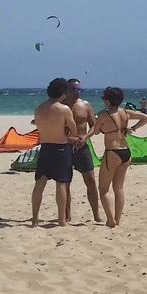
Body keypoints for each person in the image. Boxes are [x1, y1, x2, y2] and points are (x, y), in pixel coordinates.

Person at [85, 86, 147, 227]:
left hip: (112, 152)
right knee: (119, 188)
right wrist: (133, 129)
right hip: (126, 151)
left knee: (103, 189)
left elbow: (96, 132)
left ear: (108, 100)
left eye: (104, 98)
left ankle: (110, 220)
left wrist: (101, 125)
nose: (103, 101)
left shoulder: (104, 114)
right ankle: (118, 219)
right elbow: (146, 117)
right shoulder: (125, 112)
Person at [30, 78, 84, 227]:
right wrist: (70, 136)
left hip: (45, 147)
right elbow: (73, 130)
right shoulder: (64, 109)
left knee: (39, 183)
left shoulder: (38, 108)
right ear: (63, 92)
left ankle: (34, 219)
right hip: (61, 148)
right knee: (61, 184)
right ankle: (61, 219)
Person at [63, 79, 100, 224]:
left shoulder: (85, 105)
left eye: (80, 90)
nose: (77, 92)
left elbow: (94, 126)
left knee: (90, 180)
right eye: (74, 89)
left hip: (82, 147)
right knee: (65, 183)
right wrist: (68, 138)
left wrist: (85, 137)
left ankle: (96, 215)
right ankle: (67, 215)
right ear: (67, 90)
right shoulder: (60, 106)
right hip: (65, 146)